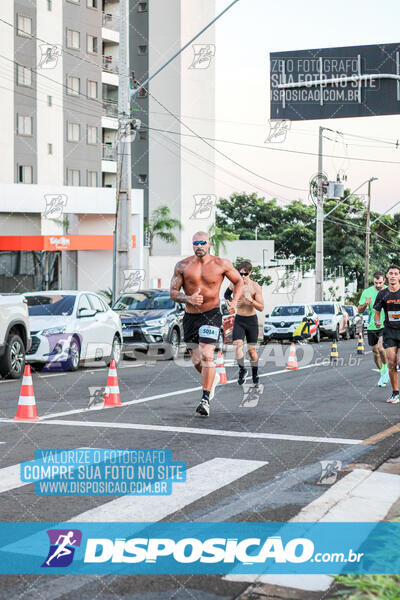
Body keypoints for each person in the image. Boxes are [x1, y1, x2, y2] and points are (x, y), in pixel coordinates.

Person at [170, 231, 243, 416]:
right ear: (192, 245)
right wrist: (189, 298)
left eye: (203, 242)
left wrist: (234, 302)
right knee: (196, 360)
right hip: (190, 317)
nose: (199, 246)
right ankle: (213, 377)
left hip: (211, 314)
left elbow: (239, 281)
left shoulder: (221, 264)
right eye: (196, 243)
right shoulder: (183, 265)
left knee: (207, 354)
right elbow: (172, 292)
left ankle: (205, 399)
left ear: (209, 243)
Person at [224, 260, 264, 386]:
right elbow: (226, 295)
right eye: (239, 274)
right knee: (237, 346)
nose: (242, 277)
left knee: (252, 351)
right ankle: (242, 370)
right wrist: (232, 302)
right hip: (239, 319)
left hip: (251, 320)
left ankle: (255, 374)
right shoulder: (234, 285)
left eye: (245, 274)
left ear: (250, 273)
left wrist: (251, 301)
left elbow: (261, 307)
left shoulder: (255, 287)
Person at [373, 265, 400, 403]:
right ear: (387, 276)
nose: (393, 276)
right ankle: (395, 393)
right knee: (391, 363)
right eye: (391, 273)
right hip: (389, 331)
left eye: (396, 273)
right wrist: (377, 322)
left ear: (399, 276)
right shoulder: (382, 294)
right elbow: (377, 313)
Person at [358, 271, 389, 387]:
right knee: (375, 351)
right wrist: (366, 304)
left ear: (384, 281)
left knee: (381, 348)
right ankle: (382, 372)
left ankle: (386, 369)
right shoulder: (367, 292)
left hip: (385, 325)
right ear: (373, 281)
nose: (378, 285)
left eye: (380, 282)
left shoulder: (389, 290)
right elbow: (359, 310)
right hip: (372, 325)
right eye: (376, 283)